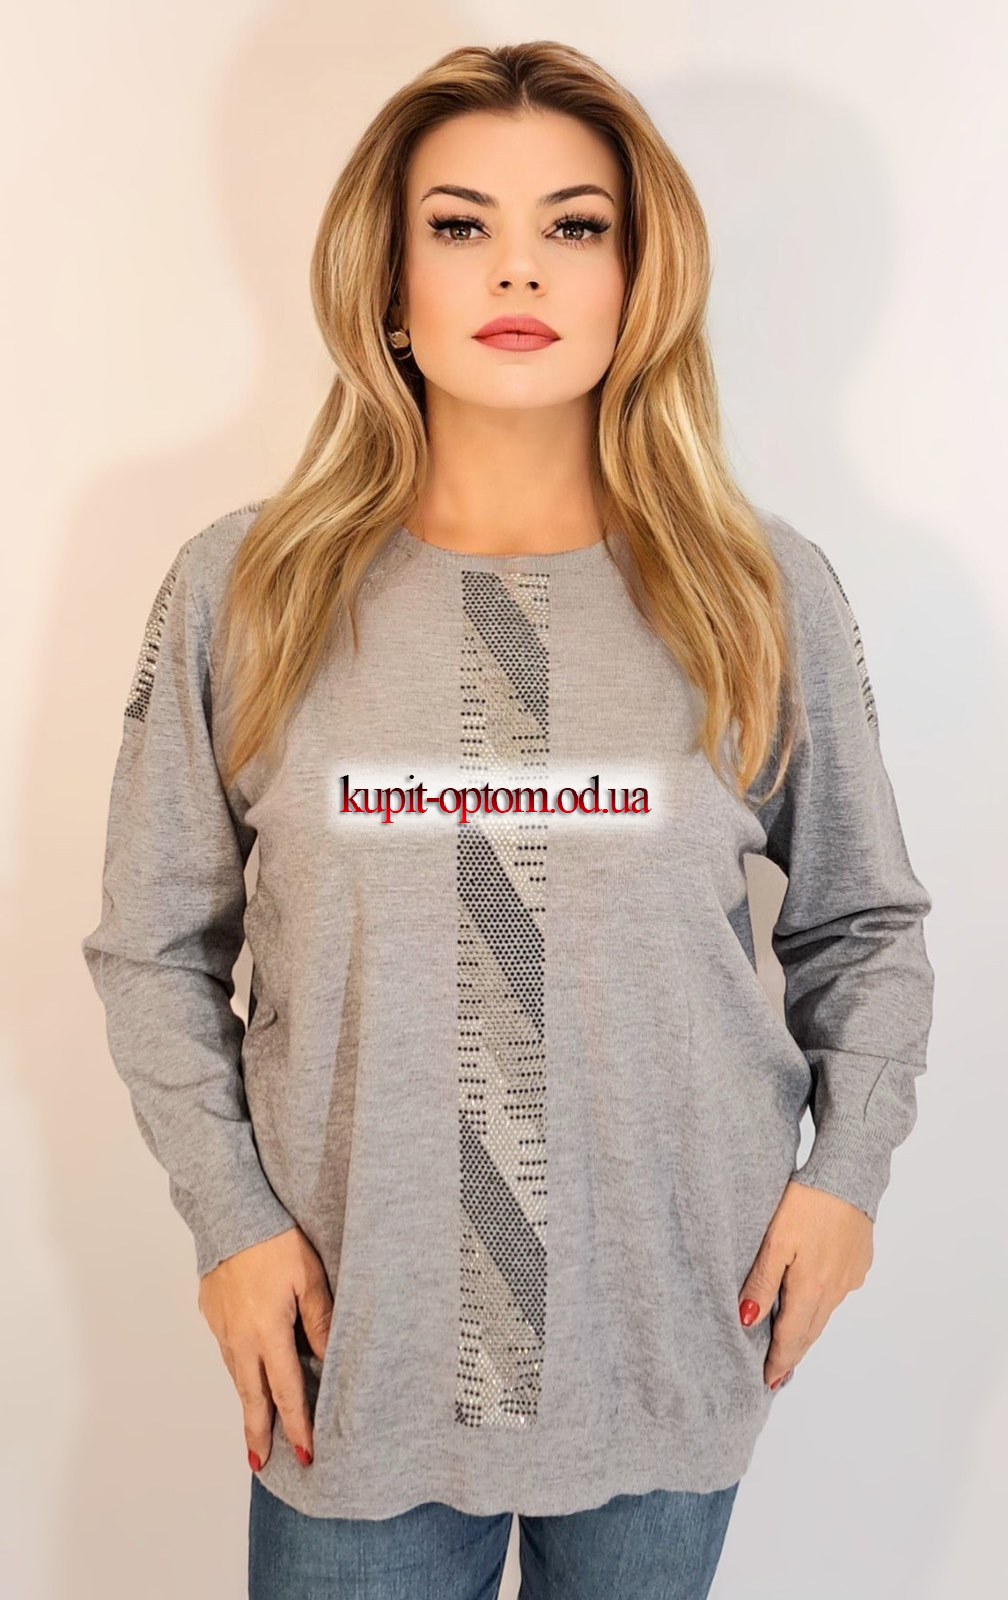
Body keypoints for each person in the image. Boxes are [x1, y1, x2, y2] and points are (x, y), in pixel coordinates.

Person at [80, 39, 935, 1600]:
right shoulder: (246, 590)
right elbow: (153, 946)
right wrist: (232, 1225)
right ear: (389, 281)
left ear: (637, 279)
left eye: (576, 225)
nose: (519, 268)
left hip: (675, 1333)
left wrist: (846, 1183)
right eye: (461, 224)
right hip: (355, 1357)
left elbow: (865, 924)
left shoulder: (760, 591)